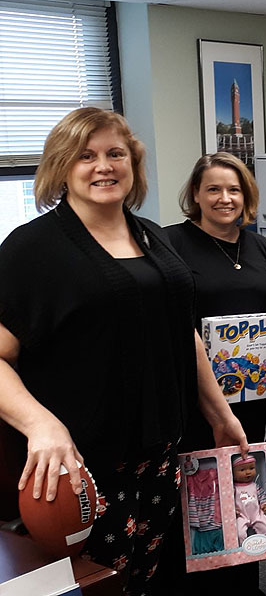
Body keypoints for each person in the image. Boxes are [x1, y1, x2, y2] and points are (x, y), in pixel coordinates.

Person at [0, 107, 247, 596]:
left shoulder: (152, 236)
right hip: (79, 471)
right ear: (61, 167)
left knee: (145, 579)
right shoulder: (33, 250)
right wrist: (40, 425)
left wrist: (219, 414)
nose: (104, 166)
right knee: (87, 586)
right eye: (85, 156)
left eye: (116, 153)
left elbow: (182, 332)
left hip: (157, 455)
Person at [153, 152, 266, 595]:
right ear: (195, 194)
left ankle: (243, 582)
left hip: (251, 397)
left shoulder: (264, 248)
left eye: (234, 189)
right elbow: (164, 319)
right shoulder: (166, 245)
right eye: (213, 188)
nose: (224, 198)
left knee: (246, 490)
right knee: (198, 495)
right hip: (192, 397)